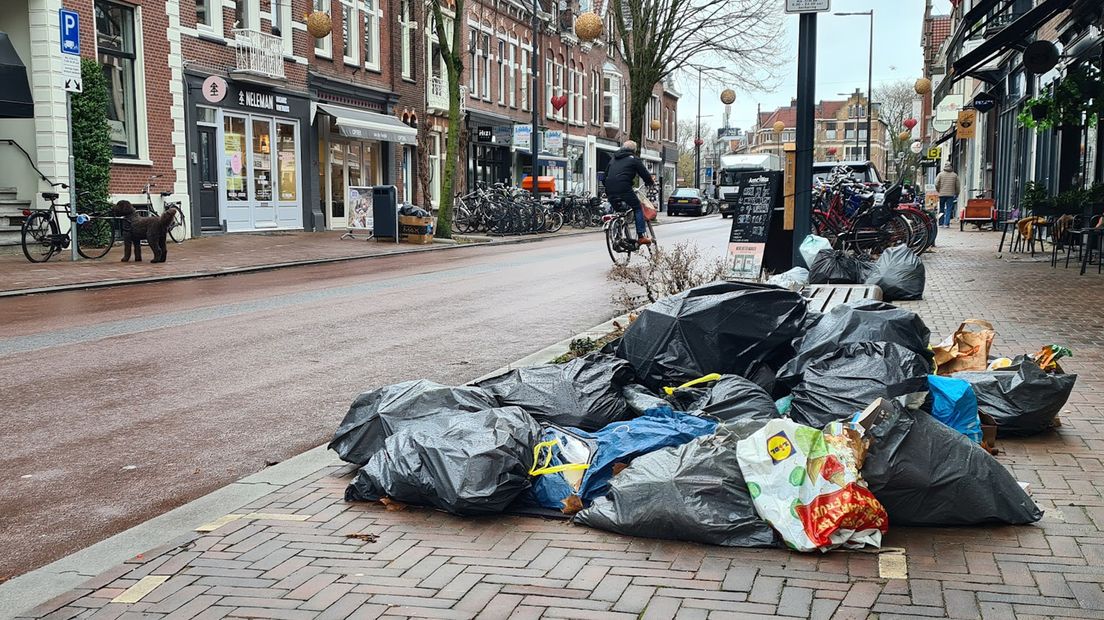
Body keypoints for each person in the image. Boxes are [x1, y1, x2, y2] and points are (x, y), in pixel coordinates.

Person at [604, 140, 656, 244]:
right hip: (624, 188)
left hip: (609, 189)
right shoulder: (634, 159)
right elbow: (644, 174)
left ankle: (617, 236)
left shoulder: (613, 159)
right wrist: (650, 183)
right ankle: (641, 236)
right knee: (637, 207)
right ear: (634, 151)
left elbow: (606, 174)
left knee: (619, 212)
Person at [935, 163, 961, 228]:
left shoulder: (940, 174)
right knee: (949, 209)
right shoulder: (954, 175)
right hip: (951, 195)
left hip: (942, 194)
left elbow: (936, 183)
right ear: (951, 167)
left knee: (941, 209)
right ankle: (946, 224)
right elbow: (958, 186)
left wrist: (939, 190)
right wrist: (957, 193)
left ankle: (941, 223)